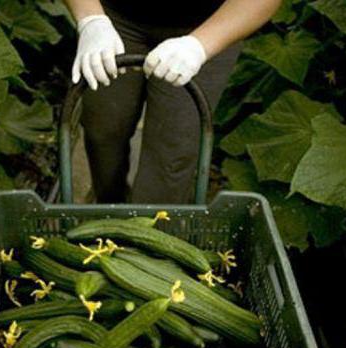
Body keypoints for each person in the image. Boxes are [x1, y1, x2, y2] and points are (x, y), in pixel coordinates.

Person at [64, 0, 282, 203]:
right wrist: (90, 19)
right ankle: (108, 206)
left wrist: (199, 46)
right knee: (104, 127)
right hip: (113, 17)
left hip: (210, 22)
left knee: (172, 151)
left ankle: (149, 231)